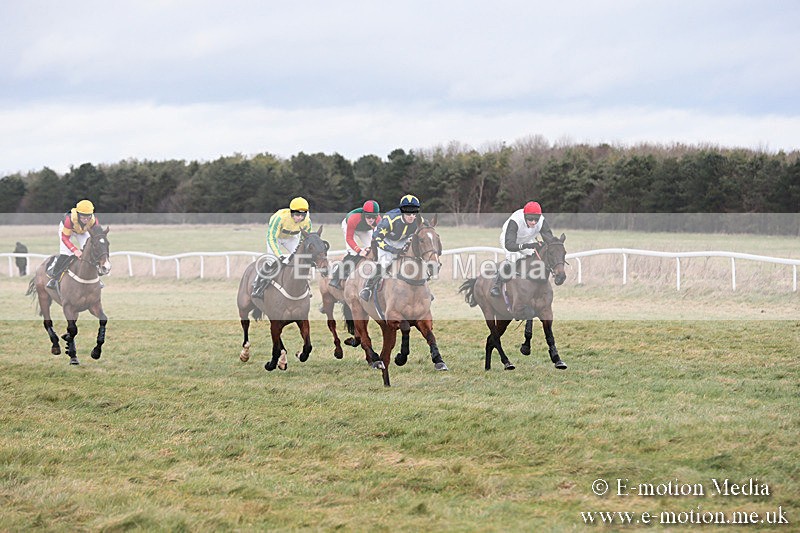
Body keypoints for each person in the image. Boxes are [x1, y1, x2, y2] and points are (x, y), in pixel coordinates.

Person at [360, 194, 424, 301]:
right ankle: (368, 287)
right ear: (402, 211)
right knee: (386, 261)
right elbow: (377, 238)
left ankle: (422, 287)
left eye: (414, 212)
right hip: (385, 239)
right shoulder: (390, 219)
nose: (412, 216)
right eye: (408, 212)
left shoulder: (418, 220)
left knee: (417, 259)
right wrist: (392, 250)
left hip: (403, 239)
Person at [490, 201, 555, 297]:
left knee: (535, 255)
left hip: (526, 240)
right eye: (530, 219)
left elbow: (550, 240)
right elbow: (510, 245)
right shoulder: (515, 220)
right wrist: (526, 246)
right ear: (524, 216)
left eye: (536, 219)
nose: (533, 222)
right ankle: (497, 284)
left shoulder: (541, 221)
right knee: (514, 258)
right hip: (509, 240)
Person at [251, 197, 312, 298]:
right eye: (297, 214)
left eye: (303, 215)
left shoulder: (307, 222)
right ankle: (257, 285)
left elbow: (304, 240)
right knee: (271, 261)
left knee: (301, 259)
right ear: (291, 212)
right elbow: (271, 238)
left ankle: (305, 286)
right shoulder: (279, 218)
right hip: (276, 238)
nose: (300, 218)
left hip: (291, 238)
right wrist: (279, 255)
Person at [46, 199, 100, 290]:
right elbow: (65, 238)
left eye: (88, 217)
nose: (86, 220)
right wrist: (75, 250)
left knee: (90, 252)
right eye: (83, 217)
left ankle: (96, 277)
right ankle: (54, 278)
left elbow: (96, 236)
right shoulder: (69, 220)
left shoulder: (94, 221)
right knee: (66, 254)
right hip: (67, 231)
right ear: (78, 214)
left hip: (82, 231)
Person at [329, 200, 381, 290]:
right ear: (364, 214)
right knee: (352, 252)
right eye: (369, 217)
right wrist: (359, 251)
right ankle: (336, 277)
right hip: (349, 226)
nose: (371, 220)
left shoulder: (379, 220)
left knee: (372, 249)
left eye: (374, 217)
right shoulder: (354, 218)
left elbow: (377, 239)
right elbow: (349, 238)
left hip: (365, 229)